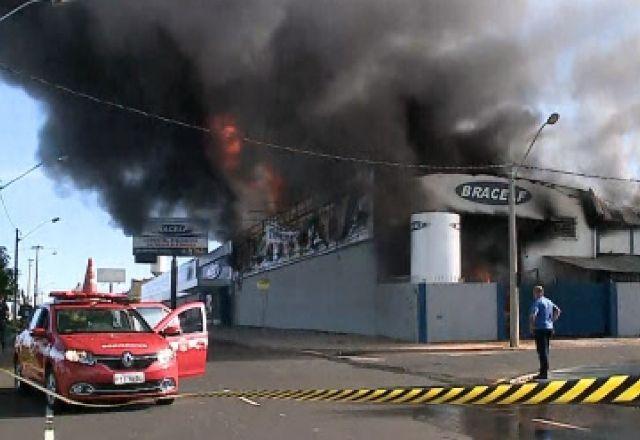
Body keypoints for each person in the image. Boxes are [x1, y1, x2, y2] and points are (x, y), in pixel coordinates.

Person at [529, 286, 561, 380]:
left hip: (540, 328)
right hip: (549, 328)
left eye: (534, 293)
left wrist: (531, 326)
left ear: (537, 293)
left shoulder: (537, 302)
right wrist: (552, 321)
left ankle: (544, 372)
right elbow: (558, 310)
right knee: (545, 349)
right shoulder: (548, 301)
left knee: (541, 350)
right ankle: (544, 370)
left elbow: (533, 315)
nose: (534, 295)